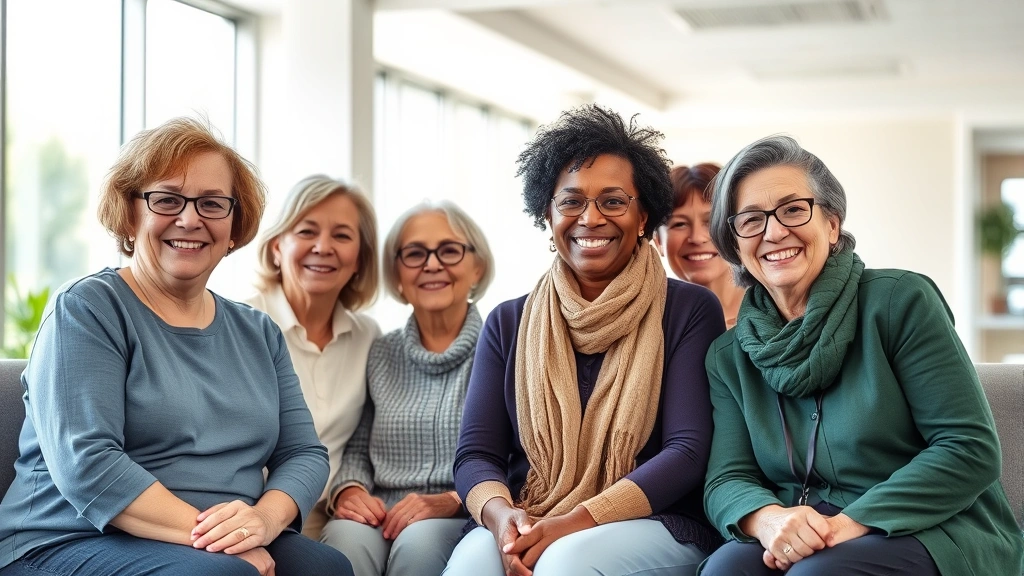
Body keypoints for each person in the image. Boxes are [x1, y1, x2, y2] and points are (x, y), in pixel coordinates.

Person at [0, 118, 353, 576]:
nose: (190, 219)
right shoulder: (86, 309)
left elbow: (303, 453)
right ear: (130, 214)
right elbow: (88, 464)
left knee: (325, 568)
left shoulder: (258, 331)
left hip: (211, 538)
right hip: (69, 538)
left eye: (212, 204)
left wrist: (263, 522)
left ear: (233, 225)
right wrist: (221, 543)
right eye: (166, 199)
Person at [699, 135, 1023, 575]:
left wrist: (845, 525)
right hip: (801, 524)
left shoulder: (899, 301)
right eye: (751, 220)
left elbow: (968, 448)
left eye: (794, 210)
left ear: (832, 225)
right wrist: (770, 521)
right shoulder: (729, 356)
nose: (774, 232)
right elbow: (726, 479)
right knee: (726, 571)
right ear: (735, 244)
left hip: (929, 527)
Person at [444, 104, 726, 576]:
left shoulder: (689, 309)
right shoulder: (507, 322)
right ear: (547, 216)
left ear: (643, 217)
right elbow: (477, 455)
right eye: (571, 201)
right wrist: (501, 517)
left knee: (565, 563)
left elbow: (687, 450)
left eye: (613, 201)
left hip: (658, 520)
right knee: (472, 565)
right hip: (529, 512)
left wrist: (571, 523)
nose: (590, 218)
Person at [320, 201, 494, 576]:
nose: (432, 265)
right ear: (397, 274)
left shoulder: (502, 347)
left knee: (418, 545)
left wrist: (453, 499)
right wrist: (350, 490)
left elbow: (518, 458)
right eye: (414, 254)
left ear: (477, 267)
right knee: (343, 542)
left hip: (462, 510)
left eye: (449, 250)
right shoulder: (381, 351)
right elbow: (358, 444)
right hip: (382, 509)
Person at [246, 175, 381, 539]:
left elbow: (370, 439)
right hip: (249, 514)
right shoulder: (238, 326)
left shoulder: (369, 337)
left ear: (360, 259)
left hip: (330, 518)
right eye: (306, 231)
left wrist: (350, 487)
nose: (323, 247)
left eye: (341, 235)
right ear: (276, 247)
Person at [661, 163, 745, 328]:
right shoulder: (651, 325)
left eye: (711, 221)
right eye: (679, 224)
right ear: (658, 241)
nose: (697, 238)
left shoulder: (780, 308)